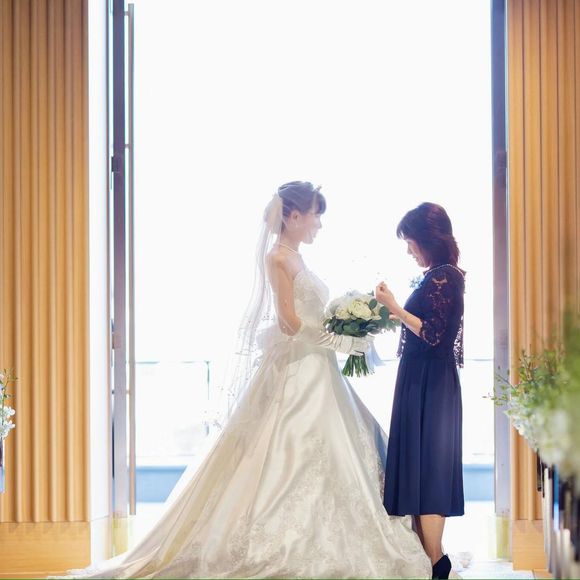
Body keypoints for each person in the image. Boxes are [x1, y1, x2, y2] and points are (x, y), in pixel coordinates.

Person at [60, 182, 431, 579]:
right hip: (299, 369)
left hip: (319, 367)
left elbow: (309, 314)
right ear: (293, 216)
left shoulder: (299, 257)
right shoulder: (277, 257)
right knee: (288, 446)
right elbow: (289, 323)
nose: (319, 224)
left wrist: (344, 326)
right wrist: (339, 340)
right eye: (315, 215)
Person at [375, 202, 465, 580]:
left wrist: (395, 307)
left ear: (428, 239)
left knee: (430, 471)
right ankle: (430, 559)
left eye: (411, 242)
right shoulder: (437, 276)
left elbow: (433, 334)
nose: (409, 250)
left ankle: (436, 561)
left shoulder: (445, 277)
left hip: (431, 384)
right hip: (422, 380)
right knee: (421, 468)